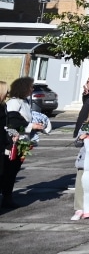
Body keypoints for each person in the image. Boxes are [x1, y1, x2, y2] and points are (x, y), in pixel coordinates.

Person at [2, 77, 47, 209]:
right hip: (13, 141)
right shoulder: (14, 103)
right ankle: (6, 197)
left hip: (23, 141)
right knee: (9, 170)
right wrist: (31, 126)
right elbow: (11, 122)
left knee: (14, 170)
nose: (32, 89)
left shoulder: (25, 102)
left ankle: (7, 196)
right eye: (30, 87)